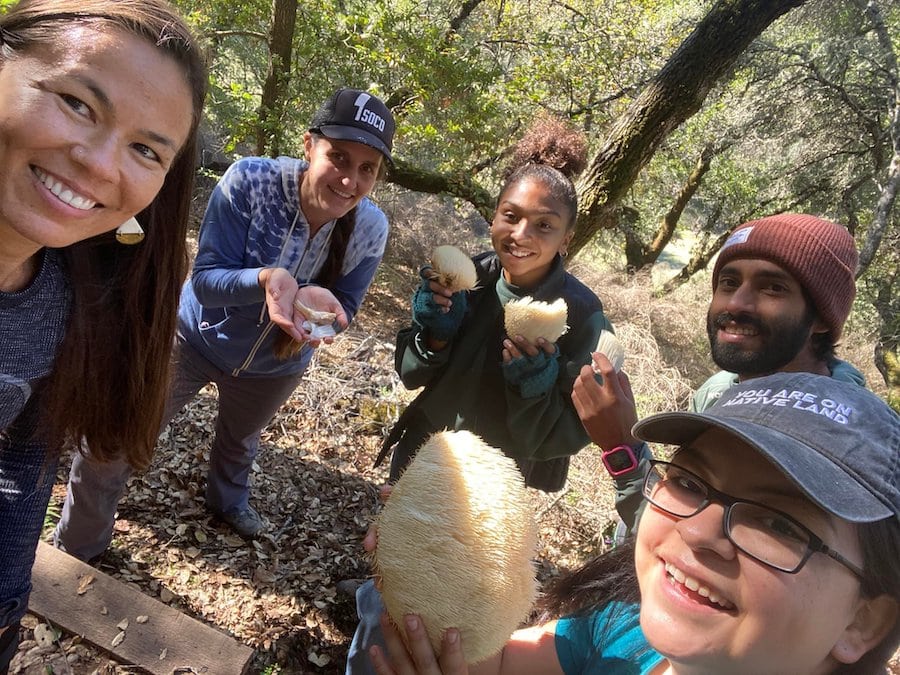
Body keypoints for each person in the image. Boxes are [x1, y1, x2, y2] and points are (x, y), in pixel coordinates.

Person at [368, 372, 900, 675]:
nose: (697, 532)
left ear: (865, 623)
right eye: (690, 482)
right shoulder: (624, 633)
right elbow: (499, 664)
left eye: (781, 525)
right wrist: (437, 570)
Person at [53, 87, 395, 557]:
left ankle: (226, 502)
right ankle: (79, 549)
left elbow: (347, 309)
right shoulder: (251, 182)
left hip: (273, 366)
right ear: (309, 145)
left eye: (366, 169)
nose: (348, 180)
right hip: (190, 340)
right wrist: (267, 280)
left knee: (240, 440)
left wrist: (322, 313)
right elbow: (206, 282)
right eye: (338, 156)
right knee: (115, 438)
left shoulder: (371, 228)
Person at [348, 116, 614, 674]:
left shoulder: (583, 318)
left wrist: (536, 390)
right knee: (394, 582)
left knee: (462, 603)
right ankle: (367, 650)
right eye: (511, 216)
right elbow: (413, 371)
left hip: (499, 489)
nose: (522, 235)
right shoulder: (465, 278)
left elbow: (567, 433)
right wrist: (431, 333)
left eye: (544, 225)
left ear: (568, 237)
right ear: (494, 215)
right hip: (427, 458)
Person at [0, 0, 207, 670]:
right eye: (78, 103)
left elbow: (22, 465)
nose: (97, 164)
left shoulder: (59, 300)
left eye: (146, 149)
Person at [571, 213, 865, 533]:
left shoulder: (840, 442)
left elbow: (696, 547)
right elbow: (681, 513)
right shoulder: (719, 390)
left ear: (822, 318)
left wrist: (623, 449)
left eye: (773, 288)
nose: (736, 304)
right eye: (729, 282)